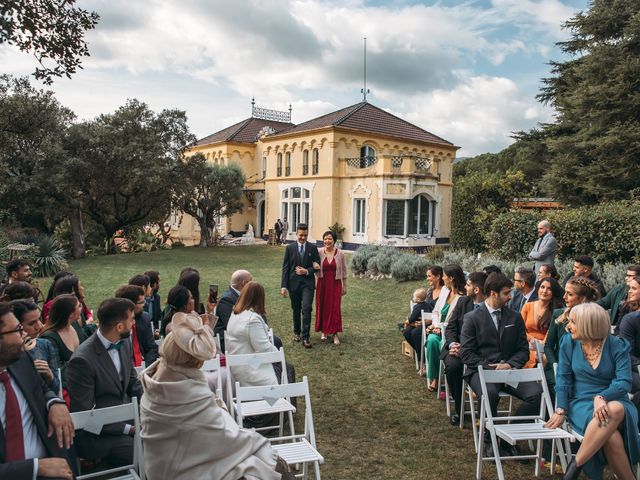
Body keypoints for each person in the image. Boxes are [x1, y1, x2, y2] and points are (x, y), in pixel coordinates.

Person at [139, 310, 289, 480]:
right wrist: (256, 440)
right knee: (272, 464)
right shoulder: (188, 395)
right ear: (193, 362)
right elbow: (228, 439)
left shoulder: (153, 384)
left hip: (163, 466)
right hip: (187, 470)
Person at [545, 303, 640, 480]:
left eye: (573, 322)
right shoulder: (568, 343)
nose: (568, 326)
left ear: (589, 324)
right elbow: (563, 378)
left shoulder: (617, 345)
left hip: (615, 399)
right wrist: (561, 409)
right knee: (611, 435)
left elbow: (624, 383)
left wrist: (602, 396)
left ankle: (574, 468)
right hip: (580, 402)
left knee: (616, 409)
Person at [460, 272, 543, 458]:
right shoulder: (472, 318)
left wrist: (509, 364)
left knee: (537, 395)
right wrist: (491, 367)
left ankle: (507, 437)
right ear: (493, 293)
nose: (510, 296)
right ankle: (489, 440)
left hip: (510, 371)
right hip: (481, 371)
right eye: (506, 293)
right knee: (489, 395)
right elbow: (466, 354)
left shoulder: (514, 317)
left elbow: (523, 350)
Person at [0, 302, 75, 480]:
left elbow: (40, 387)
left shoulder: (20, 359)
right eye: (18, 330)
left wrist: (55, 403)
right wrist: (34, 468)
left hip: (53, 467)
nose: (24, 335)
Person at [66, 297, 143, 467]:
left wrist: (149, 407)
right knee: (145, 452)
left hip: (127, 416)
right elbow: (86, 415)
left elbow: (132, 382)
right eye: (131, 319)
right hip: (96, 433)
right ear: (119, 327)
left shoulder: (123, 343)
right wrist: (128, 429)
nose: (134, 322)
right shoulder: (82, 361)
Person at [441, 271, 487, 425]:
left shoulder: (489, 308)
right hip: (456, 348)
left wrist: (467, 349)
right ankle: (459, 408)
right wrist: (453, 344)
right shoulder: (463, 302)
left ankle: (484, 414)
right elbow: (451, 328)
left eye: (468, 284)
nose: (465, 287)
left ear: (476, 289)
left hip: (478, 351)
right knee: (453, 367)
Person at [544, 276, 601, 399]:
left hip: (584, 372)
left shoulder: (594, 318)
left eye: (569, 294)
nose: (564, 297)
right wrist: (555, 365)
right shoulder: (559, 314)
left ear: (581, 299)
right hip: (558, 368)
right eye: (565, 293)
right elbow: (548, 346)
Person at [280, 223, 320, 349]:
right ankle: (296, 332)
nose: (303, 238)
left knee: (307, 308)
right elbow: (286, 268)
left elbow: (317, 266)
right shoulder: (290, 248)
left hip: (308, 284)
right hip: (293, 284)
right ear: (296, 234)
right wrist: (283, 286)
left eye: (305, 235)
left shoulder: (313, 248)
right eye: (301, 235)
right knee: (296, 309)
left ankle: (305, 337)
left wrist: (307, 271)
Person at [426, 265, 465, 390]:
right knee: (432, 340)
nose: (443, 278)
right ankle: (435, 379)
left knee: (439, 341)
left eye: (444, 276)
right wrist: (435, 326)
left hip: (450, 334)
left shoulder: (463, 298)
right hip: (438, 329)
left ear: (452, 278)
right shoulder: (444, 291)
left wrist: (443, 329)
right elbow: (436, 311)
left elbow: (459, 322)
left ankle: (448, 380)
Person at [11, 299, 60, 393]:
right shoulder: (8, 353)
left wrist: (50, 375)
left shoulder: (45, 345)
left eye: (39, 319)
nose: (40, 326)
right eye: (31, 323)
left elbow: (57, 388)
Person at [39, 294, 87, 388]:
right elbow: (57, 370)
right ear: (71, 314)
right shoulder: (49, 338)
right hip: (67, 387)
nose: (81, 308)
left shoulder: (75, 325)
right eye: (79, 306)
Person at [519, 277, 564, 368]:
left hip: (545, 346)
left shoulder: (556, 310)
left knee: (541, 356)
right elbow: (520, 329)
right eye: (542, 287)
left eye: (549, 289)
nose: (544, 291)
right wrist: (532, 340)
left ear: (553, 292)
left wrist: (540, 345)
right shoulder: (527, 306)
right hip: (526, 343)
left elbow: (550, 334)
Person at [315, 230, 348, 345]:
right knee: (322, 306)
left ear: (334, 241)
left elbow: (344, 271)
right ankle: (324, 331)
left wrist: (345, 286)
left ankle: (335, 334)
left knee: (334, 309)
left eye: (329, 239)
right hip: (322, 283)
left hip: (335, 284)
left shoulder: (340, 253)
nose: (327, 241)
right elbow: (312, 264)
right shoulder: (318, 252)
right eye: (325, 239)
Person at [115, 284, 159, 367]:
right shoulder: (115, 324)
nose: (144, 304)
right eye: (141, 302)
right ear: (130, 305)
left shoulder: (144, 318)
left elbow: (151, 347)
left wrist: (147, 369)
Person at [617, 275, 640, 422]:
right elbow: (626, 352)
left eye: (634, 288)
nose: (629, 292)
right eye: (629, 288)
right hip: (631, 368)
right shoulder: (630, 319)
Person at [402, 288, 433, 358]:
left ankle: (420, 353)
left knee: (414, 332)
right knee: (407, 332)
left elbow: (412, 318)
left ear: (418, 299)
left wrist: (407, 321)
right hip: (426, 324)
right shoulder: (427, 304)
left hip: (424, 325)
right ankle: (419, 351)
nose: (413, 298)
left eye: (414, 296)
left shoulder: (417, 307)